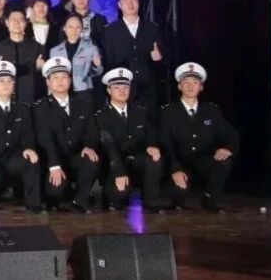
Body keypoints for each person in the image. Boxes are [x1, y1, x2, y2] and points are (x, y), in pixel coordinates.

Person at [160, 63, 239, 213]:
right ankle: (178, 196)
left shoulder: (211, 110)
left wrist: (228, 148)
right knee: (177, 194)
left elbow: (230, 134)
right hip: (180, 163)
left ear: (201, 87)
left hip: (203, 161)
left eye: (195, 82)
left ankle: (211, 199)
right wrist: (175, 169)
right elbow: (165, 143)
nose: (191, 86)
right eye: (186, 82)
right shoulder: (168, 112)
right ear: (179, 86)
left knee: (223, 161)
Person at [0, 62, 43, 213]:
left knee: (32, 160)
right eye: (1, 81)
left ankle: (33, 205)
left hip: (13, 158)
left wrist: (28, 148)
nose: (6, 84)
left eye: (9, 81)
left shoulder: (22, 108)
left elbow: (28, 134)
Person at [33, 58, 100, 213]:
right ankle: (64, 193)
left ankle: (81, 199)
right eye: (55, 78)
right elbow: (45, 139)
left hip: (76, 157)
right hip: (53, 161)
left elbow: (92, 132)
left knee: (91, 159)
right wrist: (54, 165)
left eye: (64, 77)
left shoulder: (83, 105)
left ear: (70, 81)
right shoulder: (40, 108)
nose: (60, 81)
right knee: (55, 191)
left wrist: (89, 146)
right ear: (48, 82)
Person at [94, 68, 165, 212]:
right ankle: (115, 195)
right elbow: (109, 148)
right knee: (118, 195)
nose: (122, 91)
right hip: (114, 165)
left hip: (136, 162)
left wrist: (151, 146)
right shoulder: (100, 116)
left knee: (155, 158)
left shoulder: (140, 112)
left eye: (125, 87)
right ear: (108, 90)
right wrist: (118, 171)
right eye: (117, 87)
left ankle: (151, 200)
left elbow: (150, 136)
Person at [102, 0, 165, 117]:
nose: (130, 3)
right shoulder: (110, 32)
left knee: (150, 124)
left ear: (139, 2)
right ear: (119, 5)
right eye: (125, 0)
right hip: (122, 90)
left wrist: (159, 59)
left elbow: (165, 63)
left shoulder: (153, 28)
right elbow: (108, 63)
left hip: (148, 90)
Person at [0, 8, 46, 104]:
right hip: (5, 100)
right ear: (7, 22)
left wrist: (39, 68)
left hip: (30, 100)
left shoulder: (37, 47)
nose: (17, 22)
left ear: (26, 23)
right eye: (13, 19)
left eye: (20, 19)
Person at [49, 13, 104, 98]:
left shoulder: (91, 48)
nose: (74, 30)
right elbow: (52, 76)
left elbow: (97, 73)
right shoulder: (55, 51)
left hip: (83, 92)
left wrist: (96, 66)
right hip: (62, 92)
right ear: (64, 28)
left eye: (78, 27)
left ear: (82, 29)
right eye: (70, 27)